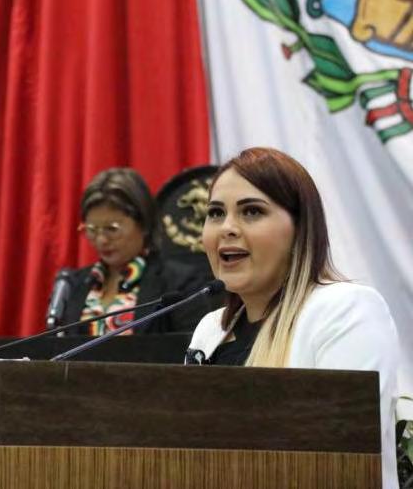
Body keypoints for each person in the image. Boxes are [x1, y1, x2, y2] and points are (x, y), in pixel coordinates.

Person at [186, 147, 400, 488]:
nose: (227, 228)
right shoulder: (210, 330)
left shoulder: (346, 310)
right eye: (215, 213)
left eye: (252, 211)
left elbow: (337, 456)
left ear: (300, 229)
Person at [57, 167, 216, 335]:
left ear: (144, 224)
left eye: (112, 229)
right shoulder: (73, 285)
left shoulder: (180, 284)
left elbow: (192, 346)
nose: (101, 239)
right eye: (92, 230)